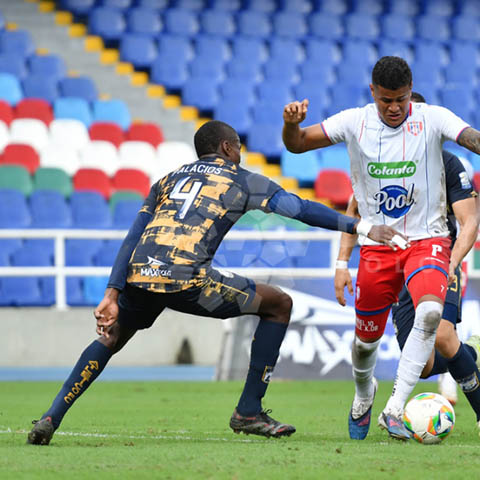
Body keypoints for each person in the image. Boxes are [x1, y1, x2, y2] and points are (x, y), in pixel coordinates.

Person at [27, 120, 404, 445]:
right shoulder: (241, 179)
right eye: (238, 147)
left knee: (110, 338)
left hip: (140, 274)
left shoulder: (167, 180)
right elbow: (300, 209)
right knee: (279, 304)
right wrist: (361, 226)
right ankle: (248, 411)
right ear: (226, 147)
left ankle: (50, 417)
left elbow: (134, 235)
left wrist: (112, 292)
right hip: (187, 279)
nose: (239, 154)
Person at [282, 56, 480, 440]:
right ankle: (364, 393)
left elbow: (473, 137)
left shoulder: (432, 119)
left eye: (401, 100)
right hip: (379, 246)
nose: (394, 108)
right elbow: (298, 145)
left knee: (432, 316)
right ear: (373, 92)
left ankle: (394, 410)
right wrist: (291, 125)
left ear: (411, 93)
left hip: (428, 241)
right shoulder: (354, 122)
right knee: (366, 343)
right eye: (386, 100)